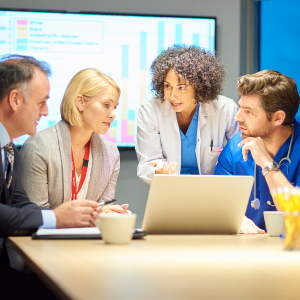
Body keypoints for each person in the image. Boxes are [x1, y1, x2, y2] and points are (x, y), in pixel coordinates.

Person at [0, 55, 101, 297]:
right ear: (15, 99)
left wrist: (70, 217)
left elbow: (19, 202)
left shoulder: (10, 149)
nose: (46, 111)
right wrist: (54, 218)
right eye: (41, 102)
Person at [19, 68, 130, 215]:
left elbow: (103, 209)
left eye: (114, 107)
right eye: (106, 105)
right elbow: (35, 217)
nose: (113, 114)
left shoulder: (111, 153)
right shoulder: (38, 147)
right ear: (80, 102)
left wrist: (110, 214)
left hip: (90, 238)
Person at [136, 45, 239, 184]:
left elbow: (241, 156)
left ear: (199, 86)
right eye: (168, 86)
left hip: (213, 190)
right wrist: (158, 170)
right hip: (170, 190)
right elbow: (146, 164)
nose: (173, 96)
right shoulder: (150, 110)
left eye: (182, 87)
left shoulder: (225, 109)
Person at [214, 70, 300, 234]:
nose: (237, 117)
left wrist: (267, 165)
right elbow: (217, 203)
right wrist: (234, 219)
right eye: (240, 108)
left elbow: (296, 215)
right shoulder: (235, 148)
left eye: (249, 111)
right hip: (247, 250)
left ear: (277, 118)